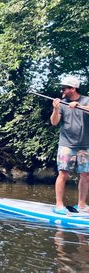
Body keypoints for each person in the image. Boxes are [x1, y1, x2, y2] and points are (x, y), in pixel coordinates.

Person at [50, 75, 89, 214]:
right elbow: (54, 122)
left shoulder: (86, 100)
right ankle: (59, 205)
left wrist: (79, 106)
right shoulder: (62, 103)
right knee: (63, 174)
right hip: (66, 145)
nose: (62, 90)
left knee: (86, 175)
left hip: (85, 146)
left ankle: (82, 205)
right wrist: (55, 109)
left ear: (72, 88)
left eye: (64, 88)